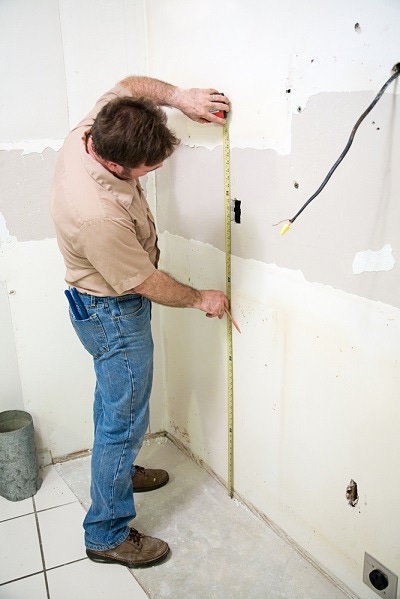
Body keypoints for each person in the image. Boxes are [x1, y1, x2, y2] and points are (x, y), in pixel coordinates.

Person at [50, 76, 231, 568]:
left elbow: (130, 83)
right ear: (114, 164)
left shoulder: (97, 128)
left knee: (114, 408)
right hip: (112, 313)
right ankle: (106, 535)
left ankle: (120, 470)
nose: (152, 174)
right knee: (123, 422)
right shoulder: (96, 215)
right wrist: (200, 299)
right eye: (148, 169)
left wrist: (181, 99)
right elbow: (144, 282)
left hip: (95, 306)